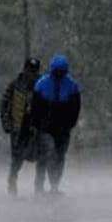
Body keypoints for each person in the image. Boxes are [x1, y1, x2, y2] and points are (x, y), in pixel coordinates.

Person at [30, 54, 81, 195]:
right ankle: (40, 185)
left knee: (59, 156)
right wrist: (37, 124)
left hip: (61, 128)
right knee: (47, 154)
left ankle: (54, 185)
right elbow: (35, 107)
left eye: (61, 71)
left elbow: (75, 108)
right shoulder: (42, 84)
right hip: (46, 127)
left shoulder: (71, 86)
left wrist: (70, 123)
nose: (59, 74)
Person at [0, 57, 42, 197]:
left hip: (37, 127)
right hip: (19, 127)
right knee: (17, 157)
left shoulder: (42, 85)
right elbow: (5, 104)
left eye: (35, 72)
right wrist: (6, 123)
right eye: (30, 71)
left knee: (41, 157)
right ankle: (12, 180)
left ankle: (39, 187)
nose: (32, 75)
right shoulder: (15, 86)